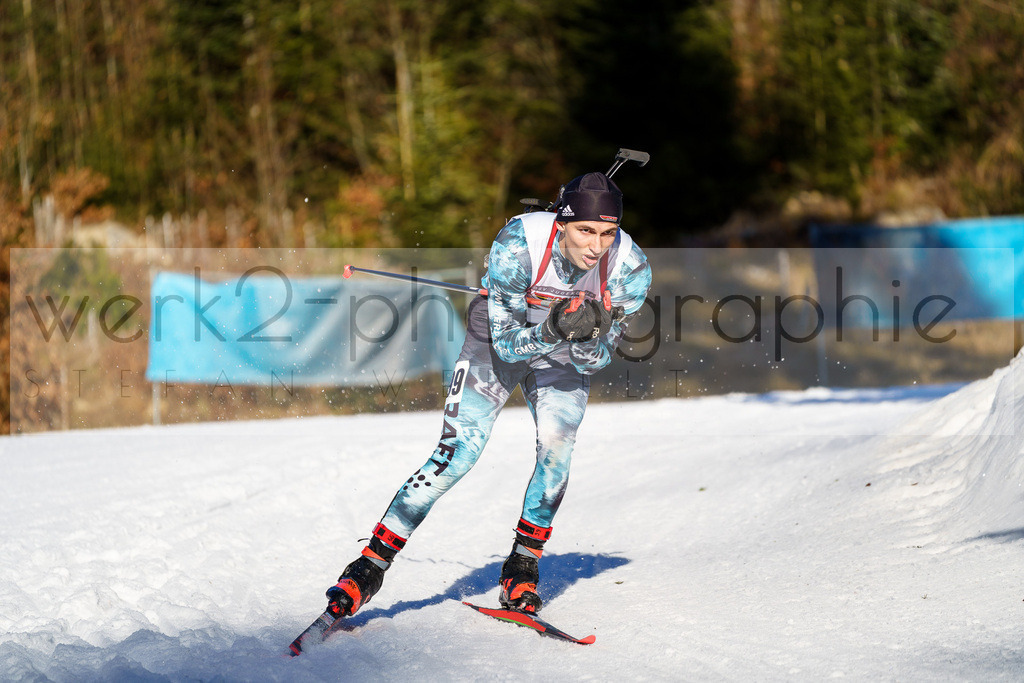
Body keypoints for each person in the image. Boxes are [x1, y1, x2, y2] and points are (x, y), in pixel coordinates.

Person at [325, 171, 652, 617]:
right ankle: (369, 567)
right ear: (560, 225)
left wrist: (589, 334)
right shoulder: (518, 246)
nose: (596, 247)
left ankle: (522, 567)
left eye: (607, 234)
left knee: (557, 447)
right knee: (458, 453)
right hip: (499, 338)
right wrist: (554, 328)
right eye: (585, 231)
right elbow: (508, 346)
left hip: (562, 349)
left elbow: (595, 362)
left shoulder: (630, 269)